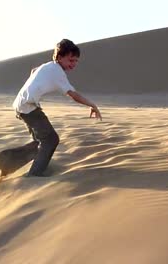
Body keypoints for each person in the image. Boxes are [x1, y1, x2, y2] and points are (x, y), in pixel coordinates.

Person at [7, 38, 102, 177]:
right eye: (70, 60)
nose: (74, 64)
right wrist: (92, 105)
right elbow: (73, 95)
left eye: (76, 61)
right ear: (59, 57)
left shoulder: (48, 66)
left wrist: (33, 88)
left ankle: (8, 162)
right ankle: (33, 175)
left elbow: (33, 70)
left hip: (22, 104)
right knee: (51, 140)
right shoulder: (57, 72)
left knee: (40, 141)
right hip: (28, 107)